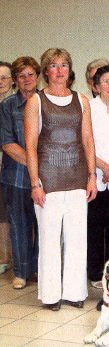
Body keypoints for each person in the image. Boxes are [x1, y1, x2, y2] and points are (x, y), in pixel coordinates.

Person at [25, 48, 97, 310]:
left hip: (78, 179)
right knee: (49, 239)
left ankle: (75, 292)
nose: (59, 70)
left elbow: (88, 140)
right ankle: (51, 295)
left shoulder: (82, 100)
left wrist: (91, 176)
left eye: (64, 65)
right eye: (54, 66)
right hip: (49, 181)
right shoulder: (36, 101)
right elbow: (31, 145)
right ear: (46, 72)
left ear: (70, 69)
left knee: (77, 238)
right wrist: (35, 182)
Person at [0, 57, 40, 287]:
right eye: (21, 75)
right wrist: (33, 163)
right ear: (15, 80)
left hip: (46, 176)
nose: (27, 79)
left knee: (44, 226)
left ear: (38, 76)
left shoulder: (46, 101)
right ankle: (21, 273)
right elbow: (7, 142)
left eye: (31, 74)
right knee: (19, 224)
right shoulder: (6, 106)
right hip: (15, 175)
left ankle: (38, 269)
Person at [87, 64, 109, 289]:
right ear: (96, 86)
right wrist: (104, 167)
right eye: (106, 81)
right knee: (93, 229)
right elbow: (84, 144)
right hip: (95, 178)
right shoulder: (88, 109)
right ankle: (94, 273)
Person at [0, 61, 15, 275]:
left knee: (11, 215)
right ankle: (3, 256)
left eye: (4, 77)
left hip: (14, 167)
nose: (0, 82)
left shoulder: (17, 105)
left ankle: (11, 258)